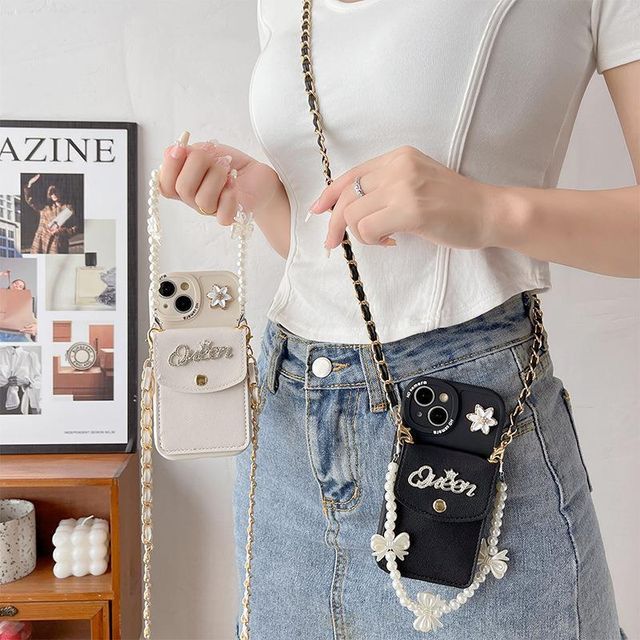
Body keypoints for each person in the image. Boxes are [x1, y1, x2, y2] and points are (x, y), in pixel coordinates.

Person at [157, 1, 639, 638]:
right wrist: (268, 197)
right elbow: (350, 266)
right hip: (285, 437)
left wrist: (487, 211)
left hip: (470, 430)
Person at [23, 174, 78, 254]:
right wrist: (29, 186)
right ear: (49, 196)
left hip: (57, 244)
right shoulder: (45, 208)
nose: (54, 195)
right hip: (40, 242)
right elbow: (31, 201)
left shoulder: (68, 209)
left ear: (60, 191)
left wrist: (61, 231)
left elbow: (75, 228)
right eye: (51, 193)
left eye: (55, 192)